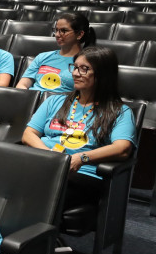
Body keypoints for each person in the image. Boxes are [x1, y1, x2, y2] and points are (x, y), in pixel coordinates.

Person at [22, 46, 135, 224]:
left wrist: (80, 158)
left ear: (103, 74)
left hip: (82, 175)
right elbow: (29, 134)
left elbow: (122, 148)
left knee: (34, 189)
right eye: (75, 67)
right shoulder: (55, 100)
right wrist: (50, 156)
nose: (76, 73)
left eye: (85, 69)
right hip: (45, 164)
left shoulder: (119, 111)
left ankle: (37, 244)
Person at [17, 12, 96, 93]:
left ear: (79, 34)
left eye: (63, 31)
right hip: (32, 101)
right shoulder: (43, 56)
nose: (57, 35)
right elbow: (22, 85)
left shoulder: (86, 63)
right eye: (56, 30)